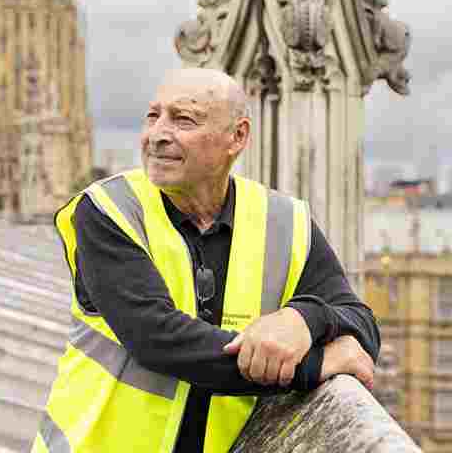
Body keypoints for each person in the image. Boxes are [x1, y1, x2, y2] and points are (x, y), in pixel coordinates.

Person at [31, 68, 380, 453]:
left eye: (183, 119)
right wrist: (313, 366)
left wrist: (302, 318)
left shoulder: (284, 221)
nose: (158, 134)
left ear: (238, 136)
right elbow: (157, 338)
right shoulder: (107, 210)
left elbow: (359, 321)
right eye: (153, 116)